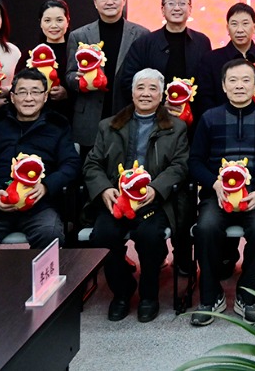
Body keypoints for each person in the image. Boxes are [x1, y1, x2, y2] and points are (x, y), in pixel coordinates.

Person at [85, 68, 189, 322]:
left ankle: (149, 295)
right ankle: (122, 291)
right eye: (140, 87)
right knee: (102, 236)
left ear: (161, 95)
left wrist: (156, 188)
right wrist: (104, 189)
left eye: (153, 88)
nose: (146, 93)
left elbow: (180, 166)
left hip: (154, 201)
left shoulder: (176, 128)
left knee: (149, 236)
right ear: (132, 93)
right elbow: (92, 164)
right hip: (117, 199)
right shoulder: (109, 126)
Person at [189, 59, 255, 326]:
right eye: (233, 80)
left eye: (245, 80)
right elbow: (195, 161)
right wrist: (214, 184)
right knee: (206, 227)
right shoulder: (209, 118)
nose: (239, 85)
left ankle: (248, 296)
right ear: (223, 85)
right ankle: (211, 296)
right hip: (217, 195)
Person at [0, 69, 80, 251]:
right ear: (12, 97)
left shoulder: (58, 125)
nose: (28, 98)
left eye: (35, 92)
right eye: (22, 92)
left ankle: (40, 272)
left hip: (39, 205)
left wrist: (46, 186)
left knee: (50, 234)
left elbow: (71, 164)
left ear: (45, 97)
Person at [65, 0, 148, 157]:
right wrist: (79, 81)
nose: (110, 2)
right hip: (89, 118)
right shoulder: (79, 35)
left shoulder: (141, 34)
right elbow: (69, 75)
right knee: (89, 167)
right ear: (95, 2)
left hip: (127, 113)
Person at [116, 0, 212, 118]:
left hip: (194, 118)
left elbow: (207, 82)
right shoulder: (144, 43)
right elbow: (128, 81)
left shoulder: (202, 42)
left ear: (190, 9)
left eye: (182, 3)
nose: (177, 8)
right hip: (154, 117)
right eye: (171, 3)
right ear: (162, 9)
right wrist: (159, 104)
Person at [196, 2, 255, 117]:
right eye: (234, 24)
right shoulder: (210, 59)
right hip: (222, 123)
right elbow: (204, 98)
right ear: (227, 28)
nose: (240, 30)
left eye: (245, 23)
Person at [35, 0, 74, 121]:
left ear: (67, 21)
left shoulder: (78, 53)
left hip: (71, 118)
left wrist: (68, 93)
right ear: (40, 23)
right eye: (47, 20)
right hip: (38, 118)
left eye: (59, 20)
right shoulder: (31, 54)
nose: (53, 25)